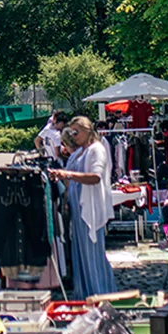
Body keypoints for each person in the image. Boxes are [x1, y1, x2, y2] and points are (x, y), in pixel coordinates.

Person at [50, 116, 116, 299]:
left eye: (76, 132)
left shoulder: (96, 150)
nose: (73, 135)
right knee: (81, 258)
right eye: (72, 132)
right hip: (77, 210)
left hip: (90, 210)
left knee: (93, 257)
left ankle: (101, 295)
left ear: (87, 130)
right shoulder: (80, 152)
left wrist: (68, 174)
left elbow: (95, 177)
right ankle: (85, 295)